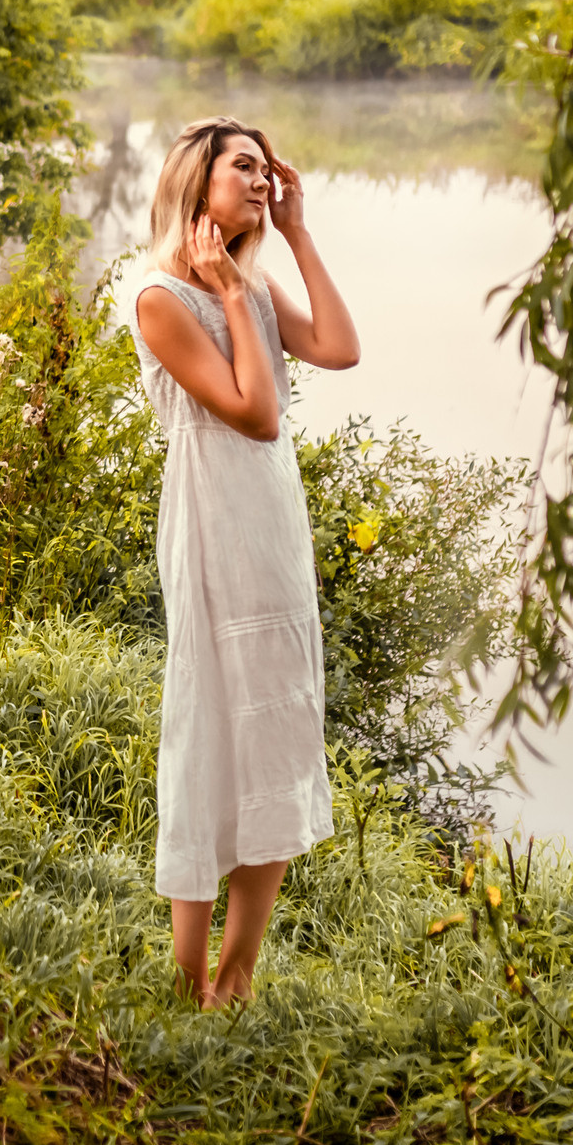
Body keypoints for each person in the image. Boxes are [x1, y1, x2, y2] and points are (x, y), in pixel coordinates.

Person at [126, 115, 360, 1006]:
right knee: (208, 726)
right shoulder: (161, 298)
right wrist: (227, 290)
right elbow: (254, 413)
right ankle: (188, 975)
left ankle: (240, 971)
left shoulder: (252, 290)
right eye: (246, 168)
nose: (262, 181)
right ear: (200, 181)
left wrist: (296, 234)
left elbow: (340, 347)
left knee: (275, 726)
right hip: (210, 525)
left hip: (272, 523)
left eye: (268, 170)